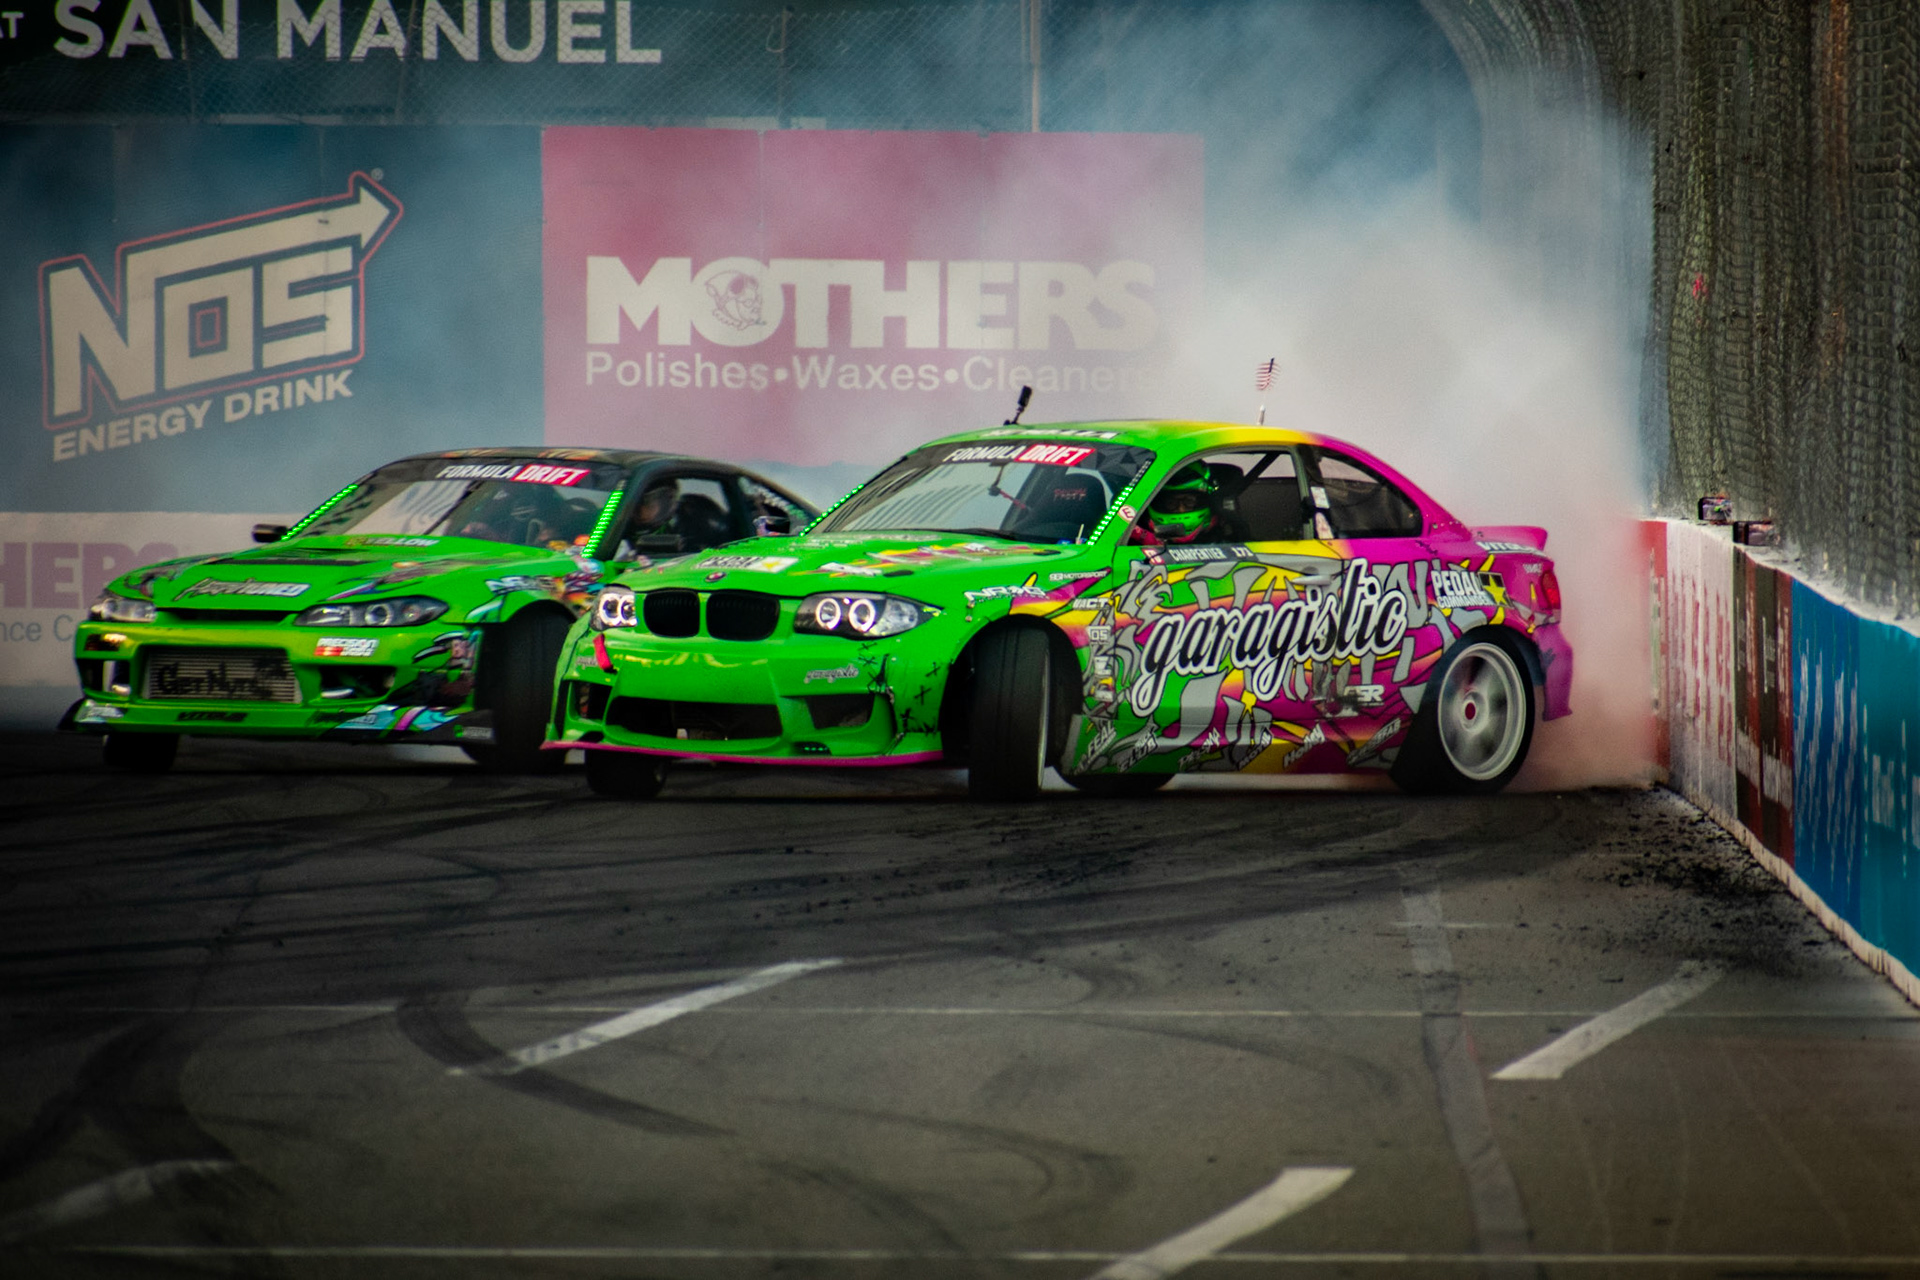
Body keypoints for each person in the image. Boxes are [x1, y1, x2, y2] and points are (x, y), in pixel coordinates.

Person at [1130, 463, 1219, 545]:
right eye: (1171, 503)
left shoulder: (1222, 535)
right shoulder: (1130, 532)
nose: (1181, 509)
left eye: (1189, 501)